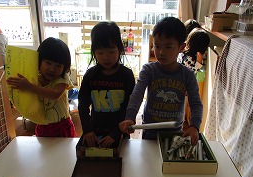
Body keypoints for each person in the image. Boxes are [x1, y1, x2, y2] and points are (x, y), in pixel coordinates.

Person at [119, 17, 203, 146]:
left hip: (174, 133)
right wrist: (130, 117)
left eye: (168, 47)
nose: (161, 52)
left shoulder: (188, 75)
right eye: (157, 46)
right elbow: (137, 95)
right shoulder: (148, 70)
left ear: (181, 47)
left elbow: (196, 104)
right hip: (149, 131)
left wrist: (195, 126)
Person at [78, 21, 135, 148]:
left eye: (111, 52)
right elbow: (82, 105)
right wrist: (87, 130)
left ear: (120, 49)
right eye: (100, 53)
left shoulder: (127, 75)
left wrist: (117, 132)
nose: (106, 58)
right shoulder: (90, 75)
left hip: (120, 132)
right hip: (95, 132)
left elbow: (129, 107)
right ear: (94, 52)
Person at [7, 37, 77, 138]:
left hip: (61, 126)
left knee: (64, 153)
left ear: (64, 67)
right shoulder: (35, 77)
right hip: (42, 126)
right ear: (39, 60)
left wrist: (29, 86)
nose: (52, 69)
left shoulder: (62, 78)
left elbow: (55, 94)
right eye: (48, 63)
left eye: (58, 66)